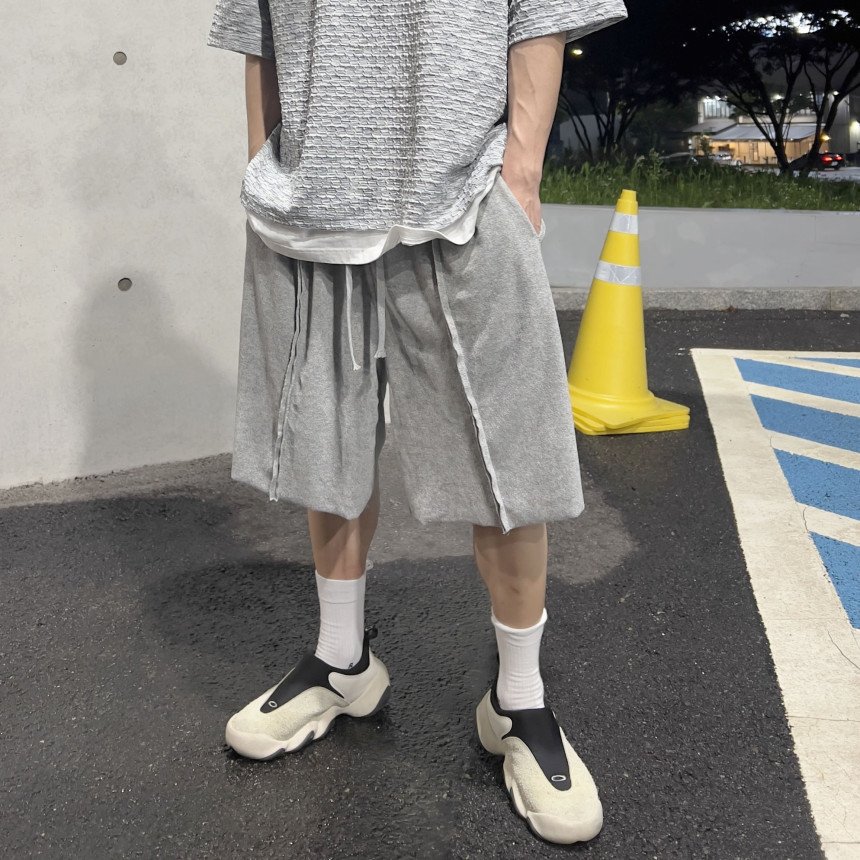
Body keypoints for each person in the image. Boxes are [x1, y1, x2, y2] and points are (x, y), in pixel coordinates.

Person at [207, 0, 626, 844]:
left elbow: (541, 12)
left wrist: (522, 173)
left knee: (507, 457)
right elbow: (261, 28)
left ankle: (519, 701)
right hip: (310, 207)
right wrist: (267, 166)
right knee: (323, 447)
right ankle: (341, 660)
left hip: (465, 195)